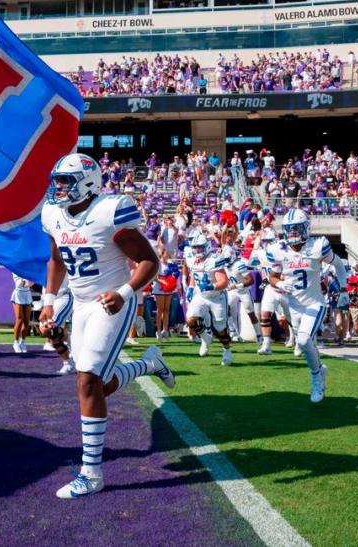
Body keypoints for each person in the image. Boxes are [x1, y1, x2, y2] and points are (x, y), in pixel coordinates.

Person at [38, 153, 174, 499]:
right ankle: (149, 364)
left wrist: (125, 291)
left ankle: (92, 472)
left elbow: (149, 261)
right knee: (95, 385)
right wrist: (48, 302)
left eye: (64, 181)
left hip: (110, 302)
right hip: (81, 303)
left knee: (87, 381)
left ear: (86, 182)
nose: (58, 188)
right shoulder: (53, 214)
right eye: (56, 181)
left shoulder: (109, 211)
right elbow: (56, 260)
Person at [268, 208, 349, 402]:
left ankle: (316, 378)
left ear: (306, 228)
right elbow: (272, 277)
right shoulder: (278, 250)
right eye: (290, 229)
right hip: (294, 305)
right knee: (305, 344)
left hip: (314, 303)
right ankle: (320, 370)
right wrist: (279, 283)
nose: (293, 233)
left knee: (303, 340)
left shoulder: (317, 246)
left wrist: (344, 290)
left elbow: (338, 264)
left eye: (297, 228)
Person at [184, 233, 233, 365]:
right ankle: (205, 338)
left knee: (221, 329)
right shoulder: (192, 259)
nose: (197, 250)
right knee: (190, 319)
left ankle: (227, 350)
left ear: (206, 246)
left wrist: (211, 285)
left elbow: (224, 282)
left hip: (217, 297)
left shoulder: (214, 259)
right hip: (201, 295)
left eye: (200, 247)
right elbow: (194, 273)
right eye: (195, 248)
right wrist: (190, 287)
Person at [10, 273, 32, 353]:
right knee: (19, 319)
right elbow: (21, 284)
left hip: (27, 294)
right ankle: (15, 342)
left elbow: (30, 283)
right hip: (18, 293)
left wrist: (32, 280)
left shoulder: (27, 269)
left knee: (26, 321)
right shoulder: (15, 270)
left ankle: (22, 342)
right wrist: (31, 280)